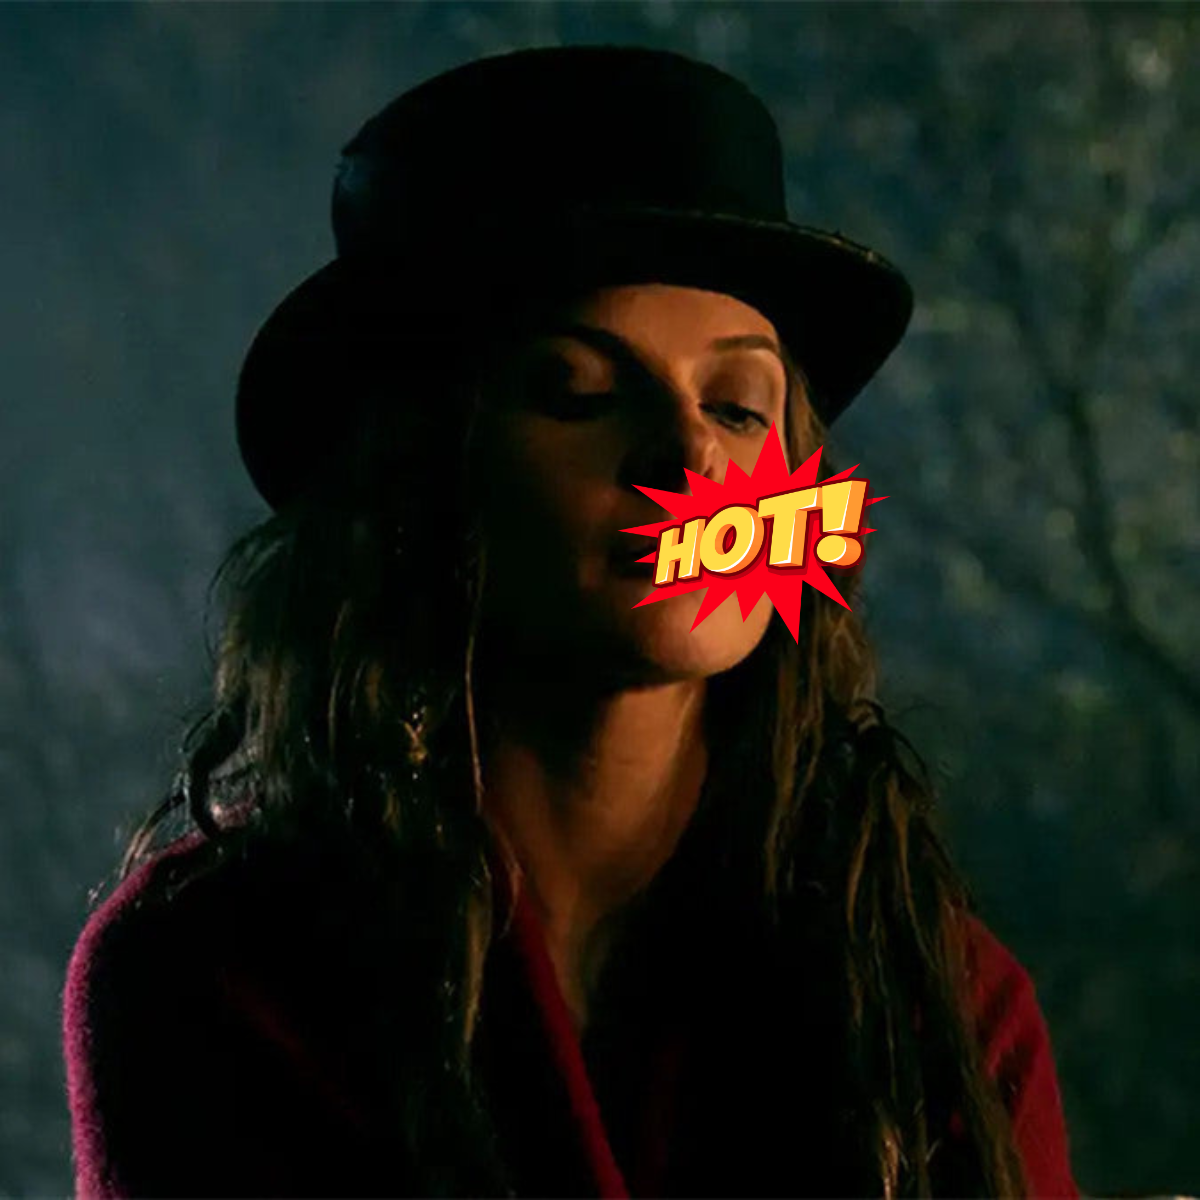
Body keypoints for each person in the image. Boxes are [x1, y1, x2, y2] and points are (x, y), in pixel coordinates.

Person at [61, 44, 1079, 1198]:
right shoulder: (211, 969)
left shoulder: (931, 995)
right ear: (419, 481)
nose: (690, 456)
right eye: (577, 394)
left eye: (739, 407)